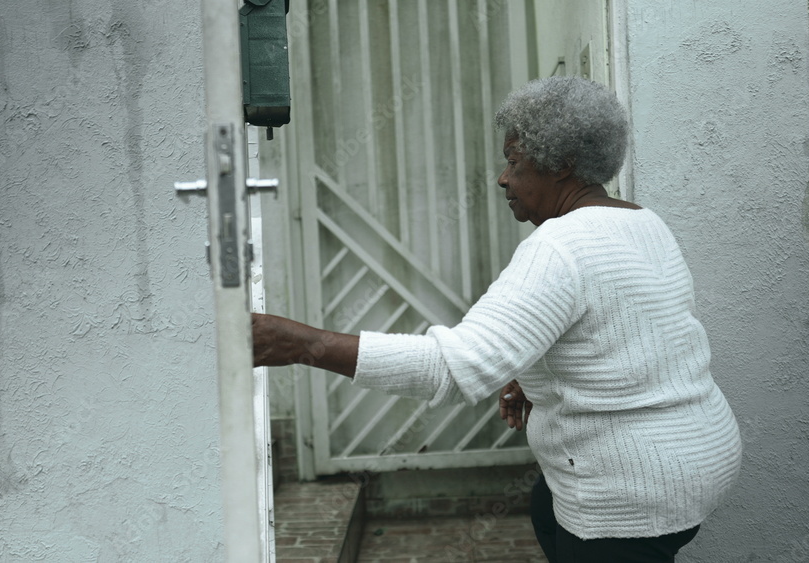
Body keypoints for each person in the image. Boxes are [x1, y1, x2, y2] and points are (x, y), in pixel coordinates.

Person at [251, 76, 742, 563]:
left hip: (633, 488)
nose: (503, 178)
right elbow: (627, 339)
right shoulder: (644, 223)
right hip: (701, 452)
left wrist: (297, 344)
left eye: (514, 161)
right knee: (545, 508)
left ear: (563, 164)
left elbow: (446, 369)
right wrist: (535, 377)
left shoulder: (558, 247)